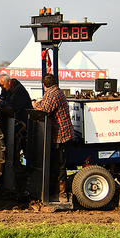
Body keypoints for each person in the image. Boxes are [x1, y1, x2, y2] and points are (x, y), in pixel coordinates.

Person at [32, 73, 74, 203]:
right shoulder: (57, 91)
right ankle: (58, 192)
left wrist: (34, 104)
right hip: (63, 133)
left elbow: (45, 109)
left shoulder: (51, 94)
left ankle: (62, 194)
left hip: (61, 135)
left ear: (44, 84)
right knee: (58, 165)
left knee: (59, 166)